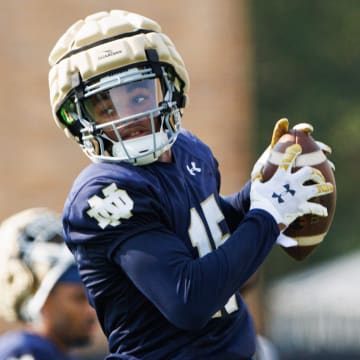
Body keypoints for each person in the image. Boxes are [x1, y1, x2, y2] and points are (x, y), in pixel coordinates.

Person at [47, 10, 334, 359]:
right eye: (106, 109)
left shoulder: (188, 150)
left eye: (138, 98)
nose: (129, 118)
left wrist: (254, 193)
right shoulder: (103, 194)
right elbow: (187, 299)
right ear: (80, 121)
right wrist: (268, 213)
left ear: (171, 88)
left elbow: (202, 238)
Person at [0, 208, 97, 360]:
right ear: (38, 298)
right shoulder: (26, 351)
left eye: (91, 297)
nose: (92, 311)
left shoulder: (53, 352)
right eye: (79, 298)